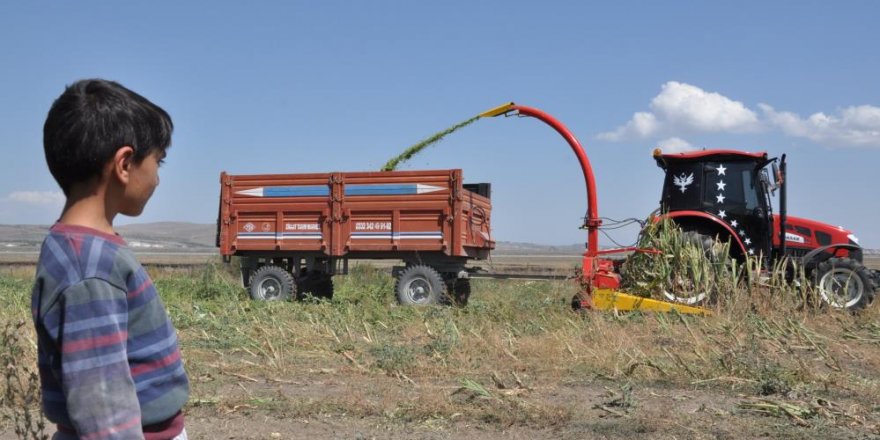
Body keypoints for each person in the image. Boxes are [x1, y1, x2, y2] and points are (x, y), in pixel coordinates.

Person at [31, 79, 190, 440]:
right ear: (124, 163)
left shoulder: (80, 248)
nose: (158, 178)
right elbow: (103, 407)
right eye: (158, 162)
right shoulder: (89, 268)